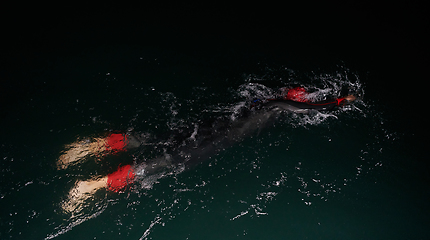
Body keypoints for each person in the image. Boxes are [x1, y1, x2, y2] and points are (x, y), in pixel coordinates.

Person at [60, 86, 357, 212]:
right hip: (216, 140)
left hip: (211, 124)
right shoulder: (280, 105)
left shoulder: (263, 100)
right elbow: (310, 109)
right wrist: (341, 103)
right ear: (294, 98)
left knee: (159, 137)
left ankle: (97, 147)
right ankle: (92, 185)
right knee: (168, 161)